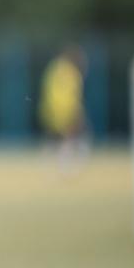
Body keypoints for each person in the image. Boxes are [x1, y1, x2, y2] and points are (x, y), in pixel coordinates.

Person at [39, 44, 89, 174]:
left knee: (55, 139)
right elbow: (72, 95)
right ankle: (67, 168)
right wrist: (75, 112)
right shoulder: (72, 73)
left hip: (49, 110)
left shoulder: (52, 68)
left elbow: (47, 90)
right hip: (66, 111)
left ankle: (46, 167)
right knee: (72, 138)